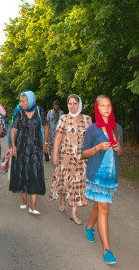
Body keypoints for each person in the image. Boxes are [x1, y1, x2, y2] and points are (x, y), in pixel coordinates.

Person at [82, 95, 123, 264]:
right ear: (97, 108)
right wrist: (98, 147)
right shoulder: (93, 129)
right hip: (97, 174)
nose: (106, 108)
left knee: (99, 207)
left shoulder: (117, 128)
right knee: (104, 208)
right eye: (102, 106)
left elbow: (119, 153)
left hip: (110, 175)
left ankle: (89, 227)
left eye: (109, 105)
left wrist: (119, 148)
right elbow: (84, 153)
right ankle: (107, 249)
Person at [49, 94, 92, 224]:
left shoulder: (87, 119)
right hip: (66, 157)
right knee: (64, 183)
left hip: (82, 159)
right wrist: (55, 155)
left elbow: (92, 139)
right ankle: (62, 199)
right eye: (70, 104)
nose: (72, 106)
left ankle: (73, 213)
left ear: (80, 104)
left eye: (75, 103)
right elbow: (57, 138)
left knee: (78, 185)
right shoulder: (64, 118)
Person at [9, 90, 49, 215]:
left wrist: (45, 144)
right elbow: (13, 130)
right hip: (21, 148)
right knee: (22, 172)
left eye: (23, 101)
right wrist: (14, 146)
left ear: (30, 100)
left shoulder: (39, 111)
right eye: (20, 101)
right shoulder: (19, 112)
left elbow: (46, 127)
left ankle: (33, 206)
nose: (21, 103)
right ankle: (24, 201)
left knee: (34, 173)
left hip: (36, 148)